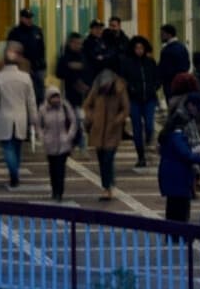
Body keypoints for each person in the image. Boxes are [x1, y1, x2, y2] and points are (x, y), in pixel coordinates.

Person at [0, 43, 37, 189]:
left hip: (4, 116)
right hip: (21, 116)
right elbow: (31, 101)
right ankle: (15, 173)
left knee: (7, 148)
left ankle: (13, 175)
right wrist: (33, 118)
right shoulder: (26, 78)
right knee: (17, 147)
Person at [83, 68, 129, 201]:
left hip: (113, 131)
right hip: (98, 130)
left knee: (108, 159)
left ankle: (106, 188)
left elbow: (125, 109)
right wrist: (93, 117)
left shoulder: (120, 90)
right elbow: (87, 105)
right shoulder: (96, 90)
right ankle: (108, 183)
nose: (105, 87)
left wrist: (117, 120)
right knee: (102, 160)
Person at [157, 93, 200, 222]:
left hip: (174, 176)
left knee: (173, 207)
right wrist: (199, 157)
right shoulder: (177, 135)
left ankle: (173, 235)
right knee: (180, 209)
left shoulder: (172, 135)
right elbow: (184, 153)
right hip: (178, 177)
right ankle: (179, 235)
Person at [121, 36, 160, 168]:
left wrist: (154, 87)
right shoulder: (127, 63)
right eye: (137, 48)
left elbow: (157, 77)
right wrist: (130, 89)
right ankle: (141, 156)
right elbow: (123, 79)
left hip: (149, 99)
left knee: (149, 124)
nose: (139, 50)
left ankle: (149, 141)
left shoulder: (150, 62)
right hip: (134, 100)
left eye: (141, 48)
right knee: (137, 129)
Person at [36, 85, 79, 202]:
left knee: (60, 169)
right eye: (53, 97)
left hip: (63, 144)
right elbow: (39, 125)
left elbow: (73, 121)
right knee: (52, 169)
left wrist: (69, 136)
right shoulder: (43, 109)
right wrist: (42, 137)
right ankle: (54, 189)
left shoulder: (65, 107)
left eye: (57, 97)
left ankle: (59, 192)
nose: (56, 100)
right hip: (49, 144)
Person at [54, 33, 90, 152]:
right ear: (70, 43)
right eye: (75, 43)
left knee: (79, 118)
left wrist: (85, 83)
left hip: (82, 94)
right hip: (69, 93)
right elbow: (59, 72)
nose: (78, 46)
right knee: (72, 117)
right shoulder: (65, 57)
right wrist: (70, 68)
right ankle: (76, 140)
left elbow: (88, 70)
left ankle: (78, 140)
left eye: (80, 43)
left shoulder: (83, 56)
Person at [6, 9, 47, 104]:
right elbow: (11, 52)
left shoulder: (37, 31)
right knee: (25, 95)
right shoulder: (15, 33)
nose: (30, 20)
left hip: (37, 68)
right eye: (27, 18)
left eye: (31, 17)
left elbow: (42, 49)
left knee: (39, 95)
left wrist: (43, 65)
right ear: (21, 18)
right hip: (22, 69)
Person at [156, 23, 190, 104]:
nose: (160, 37)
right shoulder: (182, 48)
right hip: (183, 83)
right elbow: (187, 64)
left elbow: (163, 69)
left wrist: (157, 82)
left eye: (162, 34)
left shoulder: (167, 51)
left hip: (170, 84)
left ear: (169, 35)